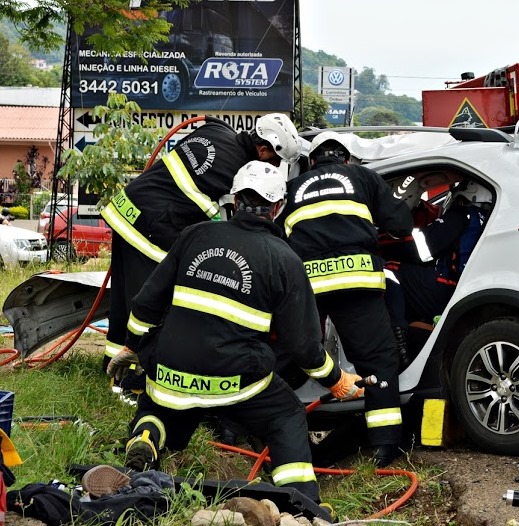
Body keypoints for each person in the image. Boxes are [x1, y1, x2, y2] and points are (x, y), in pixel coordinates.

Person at [105, 161, 362, 503]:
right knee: (285, 415)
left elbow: (144, 305)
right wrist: (338, 382)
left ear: (235, 201)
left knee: (158, 405)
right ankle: (299, 500)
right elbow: (303, 347)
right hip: (234, 380)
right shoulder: (284, 259)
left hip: (171, 372)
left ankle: (147, 436)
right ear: (278, 207)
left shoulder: (194, 235)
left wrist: (133, 347)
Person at [101, 114, 301, 393]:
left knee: (124, 301)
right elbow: (235, 221)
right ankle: (134, 383)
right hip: (149, 227)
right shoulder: (238, 171)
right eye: (275, 162)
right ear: (264, 150)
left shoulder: (219, 130)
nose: (273, 168)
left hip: (125, 209)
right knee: (150, 304)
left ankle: (112, 365)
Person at [281, 131, 413, 467]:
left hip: (309, 286)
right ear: (346, 158)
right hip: (355, 280)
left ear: (311, 161)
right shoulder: (363, 177)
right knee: (378, 361)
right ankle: (385, 447)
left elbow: (277, 234)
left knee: (292, 353)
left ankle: (259, 430)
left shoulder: (294, 188)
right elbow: (400, 224)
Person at [383, 180, 491, 371]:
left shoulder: (461, 215)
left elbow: (424, 248)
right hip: (465, 289)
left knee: (390, 270)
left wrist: (382, 249)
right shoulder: (485, 220)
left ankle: (397, 345)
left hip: (448, 287)